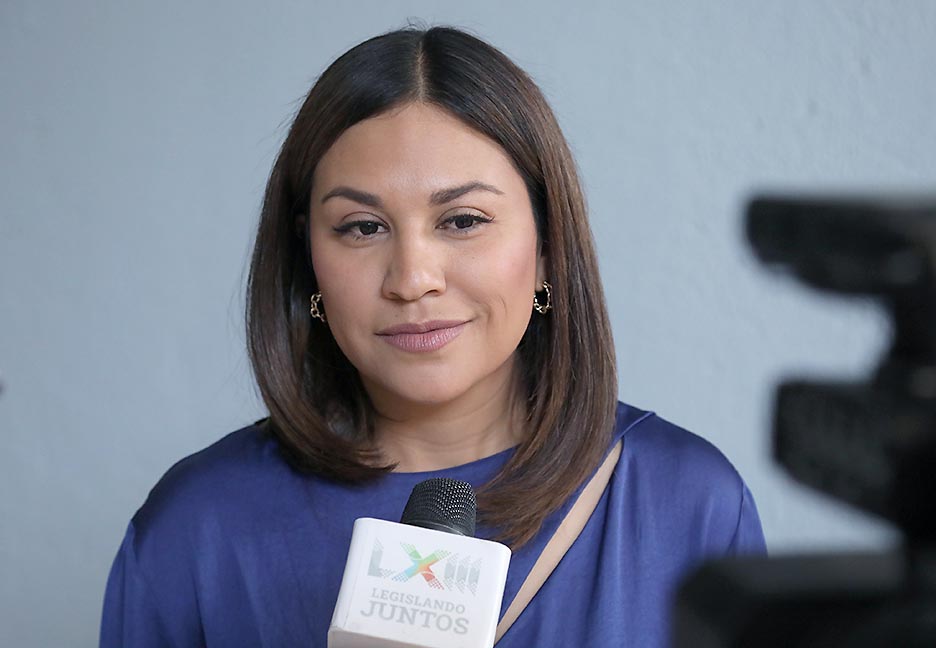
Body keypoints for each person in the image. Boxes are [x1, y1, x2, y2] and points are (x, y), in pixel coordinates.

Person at [100, 25, 765, 648]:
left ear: (546, 247)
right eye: (363, 227)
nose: (413, 280)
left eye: (463, 220)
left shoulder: (691, 504)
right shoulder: (197, 527)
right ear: (308, 260)